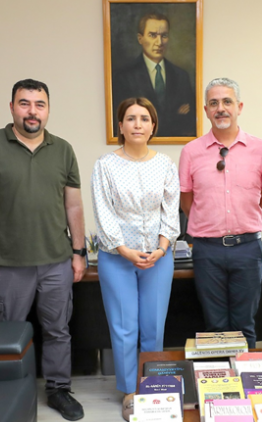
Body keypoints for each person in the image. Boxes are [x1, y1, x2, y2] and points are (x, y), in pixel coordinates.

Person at [0, 79, 86, 421]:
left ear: (48, 110)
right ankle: (5, 391)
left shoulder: (63, 149)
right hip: (7, 263)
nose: (32, 111)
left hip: (56, 261)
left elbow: (74, 206)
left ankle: (59, 389)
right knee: (6, 331)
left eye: (39, 104)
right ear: (12, 107)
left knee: (58, 330)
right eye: (24, 103)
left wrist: (78, 252)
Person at [91, 97, 180, 420]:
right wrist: (124, 250)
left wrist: (162, 247)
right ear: (121, 126)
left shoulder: (166, 164)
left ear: (153, 126)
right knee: (124, 327)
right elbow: (104, 213)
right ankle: (130, 391)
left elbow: (171, 211)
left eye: (144, 118)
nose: (137, 124)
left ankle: (152, 386)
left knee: (153, 326)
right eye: (131, 118)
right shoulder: (105, 165)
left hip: (158, 256)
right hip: (117, 257)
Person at [179, 78, 262, 349]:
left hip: (247, 249)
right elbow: (187, 203)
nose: (220, 108)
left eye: (226, 102)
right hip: (207, 251)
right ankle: (220, 377)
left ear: (239, 107)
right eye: (213, 103)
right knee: (215, 325)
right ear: (206, 110)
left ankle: (245, 376)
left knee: (245, 325)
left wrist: (249, 224)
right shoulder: (191, 152)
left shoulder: (261, 149)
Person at [113, 12, 196, 138]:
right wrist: (175, 116)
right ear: (140, 38)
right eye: (152, 35)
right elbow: (120, 121)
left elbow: (189, 123)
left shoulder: (181, 76)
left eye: (164, 36)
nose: (159, 42)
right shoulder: (124, 77)